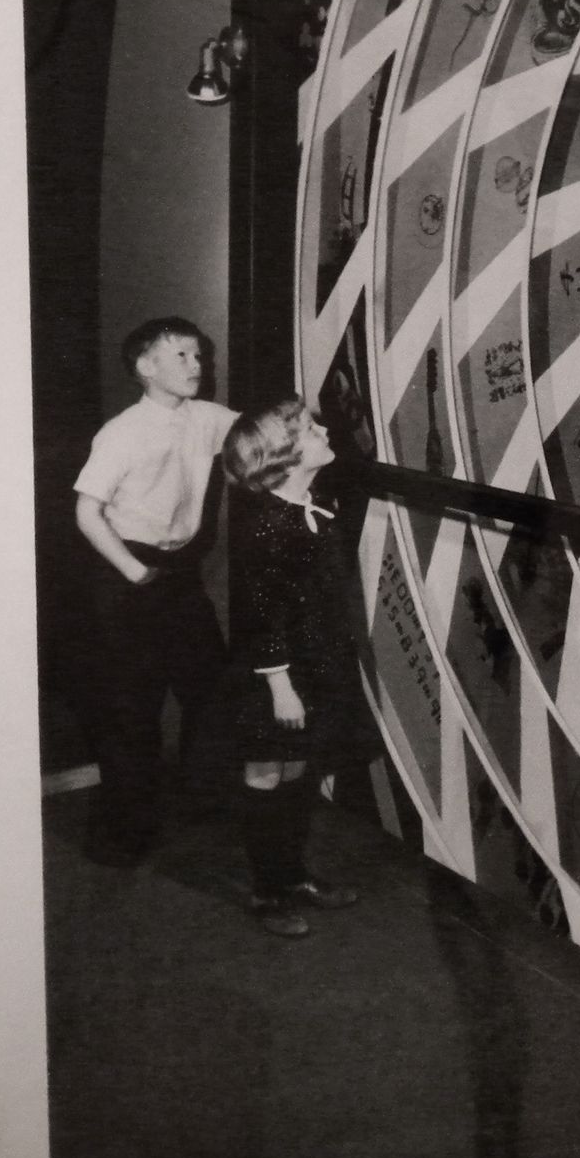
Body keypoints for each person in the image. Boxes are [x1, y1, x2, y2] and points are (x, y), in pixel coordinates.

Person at [73, 317, 237, 865]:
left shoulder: (207, 418)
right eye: (184, 357)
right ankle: (121, 836)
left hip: (178, 576)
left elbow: (261, 432)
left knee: (211, 689)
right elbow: (87, 512)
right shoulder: (121, 432)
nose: (198, 366)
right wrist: (132, 571)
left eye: (199, 357)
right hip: (126, 575)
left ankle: (202, 800)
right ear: (146, 368)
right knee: (131, 710)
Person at [221, 398, 361, 937]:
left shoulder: (313, 506)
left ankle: (295, 874)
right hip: (272, 676)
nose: (323, 429)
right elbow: (261, 615)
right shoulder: (264, 527)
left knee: (300, 768)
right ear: (282, 455)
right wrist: (281, 688)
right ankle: (267, 890)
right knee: (266, 771)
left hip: (315, 666)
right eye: (309, 428)